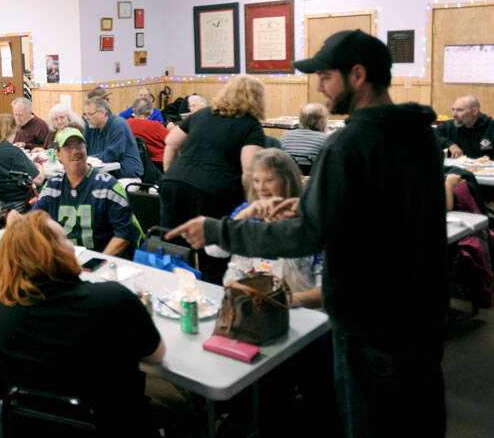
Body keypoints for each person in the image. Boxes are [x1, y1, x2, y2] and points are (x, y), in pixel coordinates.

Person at [169, 30, 447, 437]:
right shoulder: (421, 134)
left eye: (326, 76)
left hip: (370, 321)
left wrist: (218, 230)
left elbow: (305, 237)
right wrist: (308, 204)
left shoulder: (346, 145)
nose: (319, 87)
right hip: (421, 313)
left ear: (357, 75)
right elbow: (384, 209)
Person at [0, 210, 165, 436]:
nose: (72, 245)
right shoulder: (114, 299)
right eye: (65, 240)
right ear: (57, 254)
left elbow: (1, 395)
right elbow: (156, 356)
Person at [158, 75, 266, 283]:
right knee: (212, 256)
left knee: (174, 250)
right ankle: (211, 295)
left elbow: (170, 142)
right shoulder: (250, 125)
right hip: (213, 192)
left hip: (173, 184)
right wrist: (250, 205)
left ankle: (173, 293)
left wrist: (170, 172)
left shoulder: (202, 114)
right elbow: (249, 171)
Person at [216, 148, 323, 308]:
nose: (261, 187)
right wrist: (243, 216)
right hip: (242, 307)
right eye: (256, 180)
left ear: (287, 180)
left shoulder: (309, 220)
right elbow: (215, 251)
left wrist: (287, 300)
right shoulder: (245, 212)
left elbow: (325, 290)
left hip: (293, 312)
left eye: (269, 180)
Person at [29, 127, 140, 257]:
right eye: (68, 147)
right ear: (58, 154)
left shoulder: (108, 186)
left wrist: (98, 261)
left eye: (79, 145)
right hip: (66, 259)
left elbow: (124, 235)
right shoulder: (52, 186)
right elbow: (33, 222)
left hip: (102, 259)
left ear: (86, 149)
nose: (75, 151)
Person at [0, 114, 45, 219]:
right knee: (43, 188)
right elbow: (38, 179)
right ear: (14, 129)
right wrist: (40, 167)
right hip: (9, 202)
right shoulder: (12, 151)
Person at [82, 96, 143, 179]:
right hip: (101, 172)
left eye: (90, 114)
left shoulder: (118, 125)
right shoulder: (90, 125)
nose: (86, 118)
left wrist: (86, 159)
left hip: (125, 173)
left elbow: (111, 156)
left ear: (103, 113)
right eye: (85, 114)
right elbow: (82, 147)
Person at [279, 102, 330, 172]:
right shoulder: (325, 139)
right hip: (312, 175)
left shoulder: (285, 136)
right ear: (321, 122)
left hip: (289, 174)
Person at [126, 97, 169, 168]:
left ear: (134, 110)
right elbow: (172, 140)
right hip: (159, 162)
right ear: (150, 113)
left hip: (137, 163)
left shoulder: (127, 123)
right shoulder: (155, 125)